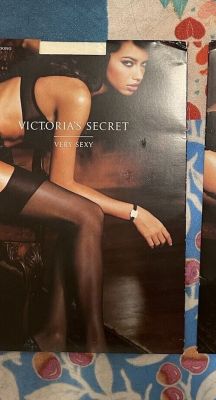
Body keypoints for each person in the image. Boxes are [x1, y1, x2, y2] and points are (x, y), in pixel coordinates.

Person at [0, 40, 172, 352]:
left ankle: (54, 333)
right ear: (104, 58)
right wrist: (134, 212)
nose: (138, 75)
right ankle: (96, 347)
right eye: (128, 63)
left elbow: (63, 182)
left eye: (143, 65)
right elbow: (63, 182)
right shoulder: (76, 92)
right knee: (85, 214)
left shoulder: (79, 92)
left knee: (75, 214)